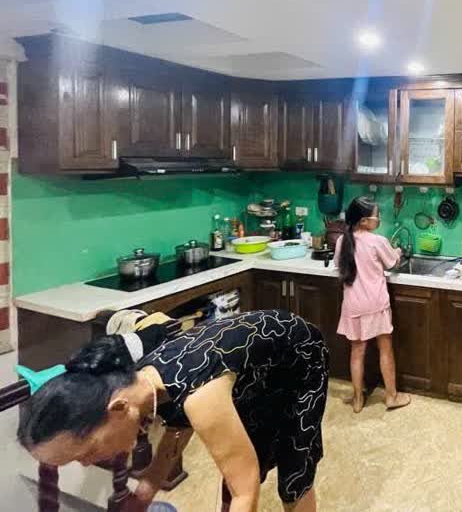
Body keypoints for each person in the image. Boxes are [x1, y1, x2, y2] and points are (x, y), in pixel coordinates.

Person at [18, 310, 328, 512]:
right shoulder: (140, 383)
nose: (87, 463)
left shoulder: (199, 396)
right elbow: (176, 434)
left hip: (298, 354)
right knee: (241, 457)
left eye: (85, 451)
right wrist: (142, 497)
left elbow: (245, 490)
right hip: (248, 367)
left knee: (293, 470)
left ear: (118, 408)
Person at [334, 196, 411, 413]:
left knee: (357, 350)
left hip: (353, 304)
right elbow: (393, 262)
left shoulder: (342, 241)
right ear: (364, 221)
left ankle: (358, 399)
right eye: (377, 216)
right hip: (375, 303)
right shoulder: (377, 241)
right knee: (385, 347)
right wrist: (398, 252)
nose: (379, 219)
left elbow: (339, 265)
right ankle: (391, 396)